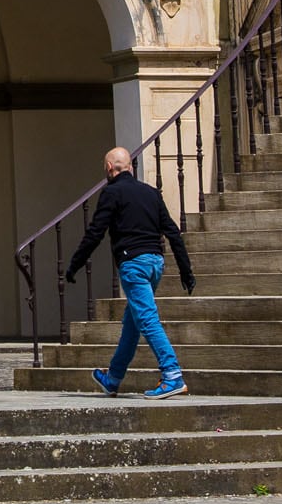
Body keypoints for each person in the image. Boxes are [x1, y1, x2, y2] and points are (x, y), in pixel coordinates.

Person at [66, 146, 196, 399]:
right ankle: (113, 378)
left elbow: (95, 233)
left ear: (109, 168)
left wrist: (75, 265)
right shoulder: (151, 193)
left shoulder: (111, 193)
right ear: (131, 167)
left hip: (133, 264)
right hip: (155, 263)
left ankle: (172, 375)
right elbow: (172, 232)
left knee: (146, 319)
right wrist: (185, 270)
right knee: (132, 323)